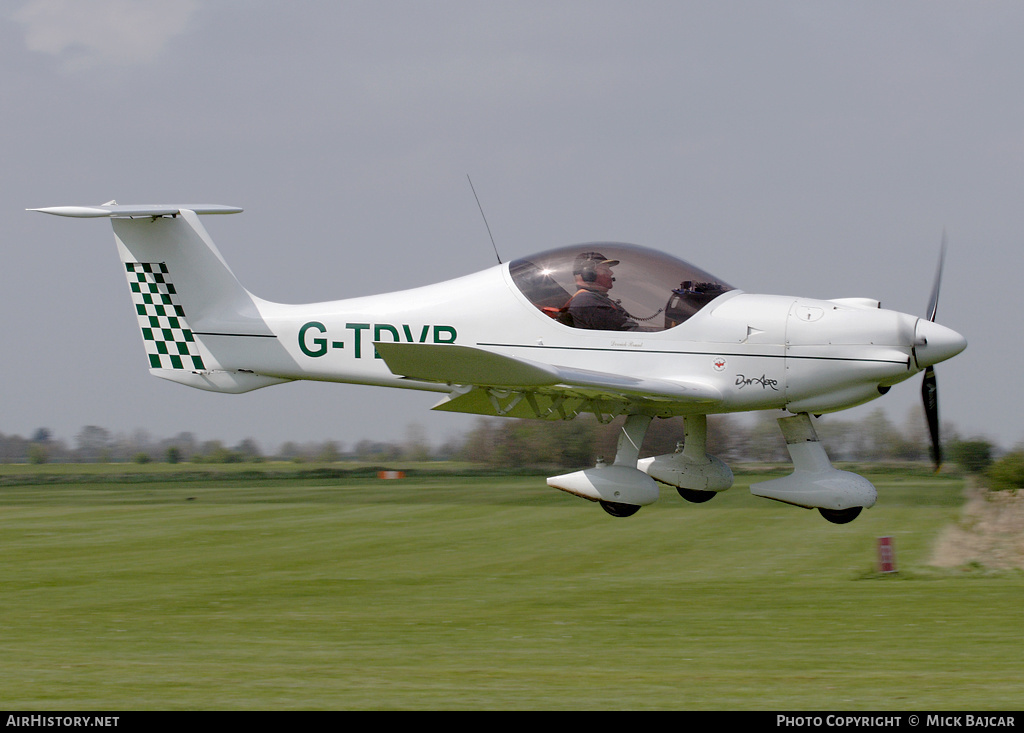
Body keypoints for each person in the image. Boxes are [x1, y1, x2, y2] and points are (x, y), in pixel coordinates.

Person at [565, 251, 638, 331]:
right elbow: (630, 331)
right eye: (605, 270)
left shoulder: (595, 300)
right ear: (588, 274)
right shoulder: (588, 302)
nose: (611, 273)